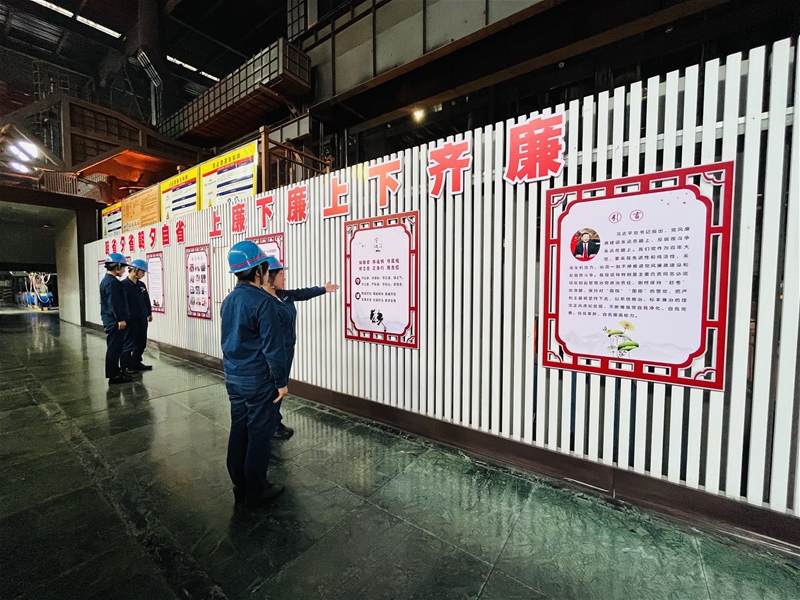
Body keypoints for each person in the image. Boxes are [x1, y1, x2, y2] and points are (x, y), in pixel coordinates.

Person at [221, 241, 291, 509]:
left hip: (234, 378)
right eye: (264, 268)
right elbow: (274, 348)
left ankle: (239, 482)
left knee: (239, 429)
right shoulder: (263, 302)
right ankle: (257, 489)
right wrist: (281, 382)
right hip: (259, 381)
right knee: (259, 435)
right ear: (258, 270)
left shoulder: (229, 300)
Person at [261, 255, 339, 440]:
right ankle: (268, 426)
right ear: (270, 277)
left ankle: (274, 421)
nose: (284, 278)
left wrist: (323, 289)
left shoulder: (283, 295)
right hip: (273, 353)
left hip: (287, 351)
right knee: (272, 389)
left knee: (279, 388)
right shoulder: (264, 301)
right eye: (281, 275)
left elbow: (302, 293)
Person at [100, 253, 131, 385]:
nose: (124, 271)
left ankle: (116, 371)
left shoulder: (107, 280)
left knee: (115, 347)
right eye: (123, 267)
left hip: (110, 319)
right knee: (114, 348)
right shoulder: (112, 283)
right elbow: (115, 303)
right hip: (114, 320)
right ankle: (114, 375)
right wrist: (120, 319)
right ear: (117, 267)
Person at [121, 259, 153, 375]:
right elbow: (120, 303)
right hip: (130, 319)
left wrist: (149, 313)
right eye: (142, 272)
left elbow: (146, 300)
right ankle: (125, 366)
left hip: (142, 318)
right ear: (135, 270)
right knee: (128, 343)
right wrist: (121, 318)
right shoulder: (123, 285)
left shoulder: (141, 285)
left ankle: (136, 363)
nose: (143, 274)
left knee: (141, 342)